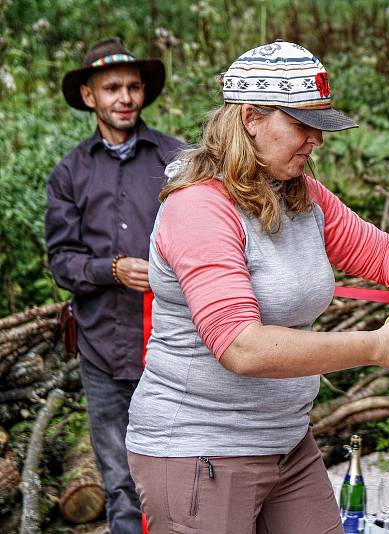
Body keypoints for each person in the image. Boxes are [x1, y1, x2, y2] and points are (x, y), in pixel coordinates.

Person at [124, 40, 389, 534]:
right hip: (201, 449)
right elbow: (241, 347)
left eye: (320, 126)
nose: (316, 140)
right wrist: (377, 347)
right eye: (302, 125)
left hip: (286, 442)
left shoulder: (300, 195)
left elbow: (380, 252)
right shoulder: (199, 209)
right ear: (251, 117)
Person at [45, 38, 183, 534]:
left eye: (133, 86)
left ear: (143, 93)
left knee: (185, 466)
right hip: (101, 346)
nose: (124, 97)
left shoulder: (176, 159)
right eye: (111, 88)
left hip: (173, 344)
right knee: (119, 478)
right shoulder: (70, 172)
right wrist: (113, 270)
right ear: (89, 97)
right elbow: (62, 262)